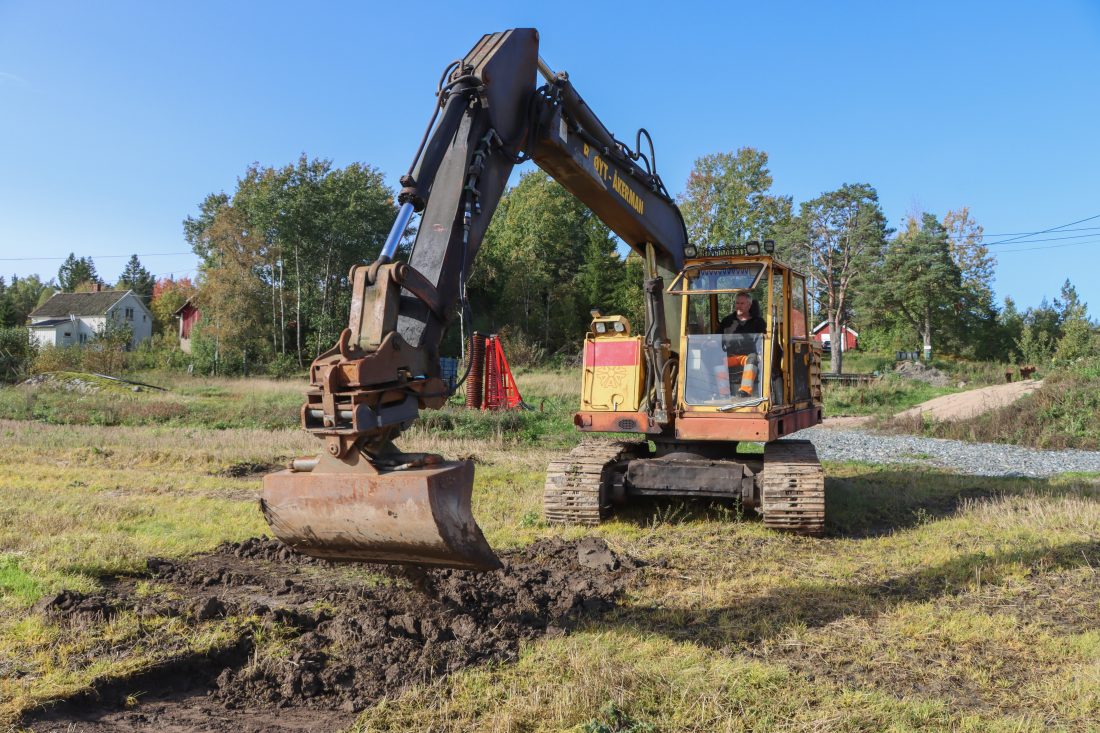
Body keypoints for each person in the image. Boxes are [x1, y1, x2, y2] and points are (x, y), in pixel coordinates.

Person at [718, 293, 765, 397]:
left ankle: (745, 391)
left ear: (749, 305)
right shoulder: (727, 321)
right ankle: (723, 393)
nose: (739, 306)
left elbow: (764, 340)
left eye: (742, 303)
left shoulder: (758, 322)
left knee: (753, 357)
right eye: (737, 303)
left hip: (748, 357)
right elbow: (717, 338)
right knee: (716, 359)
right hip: (730, 357)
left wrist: (761, 353)